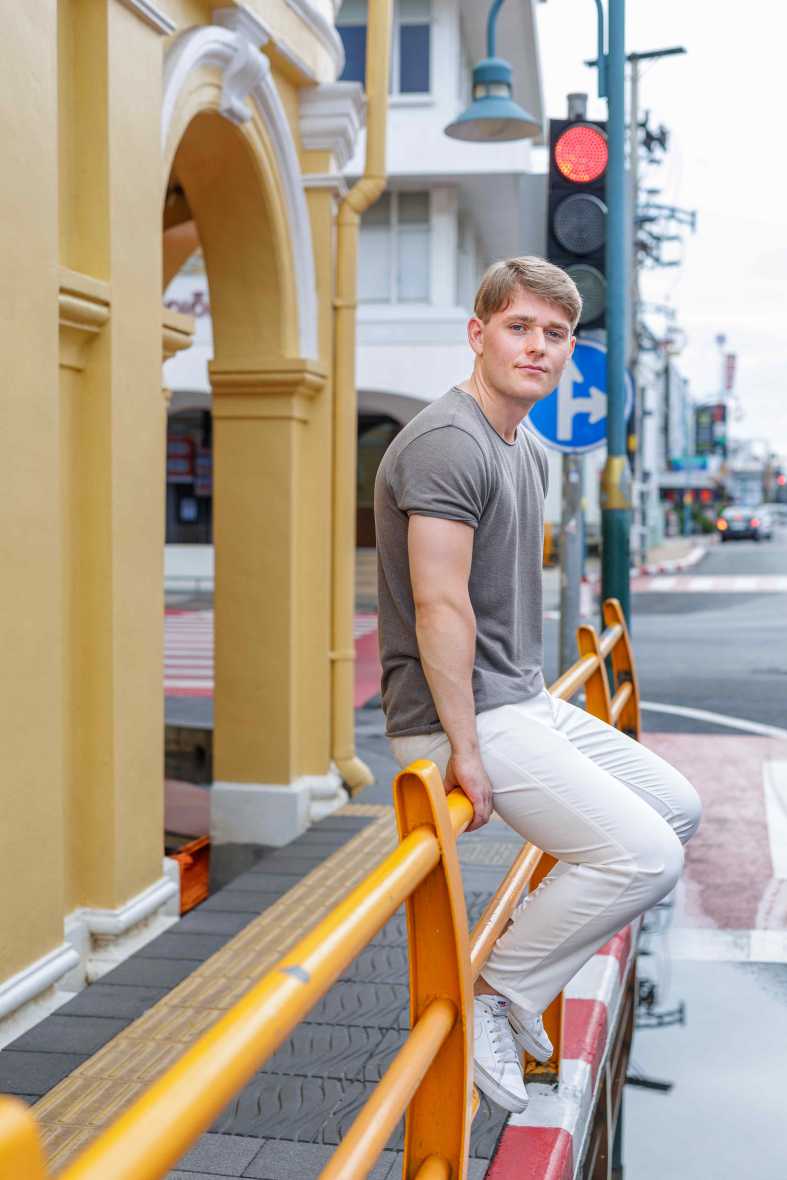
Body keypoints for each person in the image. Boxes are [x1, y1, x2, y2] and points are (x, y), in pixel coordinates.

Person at [373, 256, 702, 1113]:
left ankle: (516, 978)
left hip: (521, 700)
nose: (538, 347)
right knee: (645, 855)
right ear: (478, 335)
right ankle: (495, 993)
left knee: (677, 808)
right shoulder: (449, 441)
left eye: (554, 335)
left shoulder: (526, 446)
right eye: (518, 328)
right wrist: (464, 752)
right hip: (463, 716)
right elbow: (440, 604)